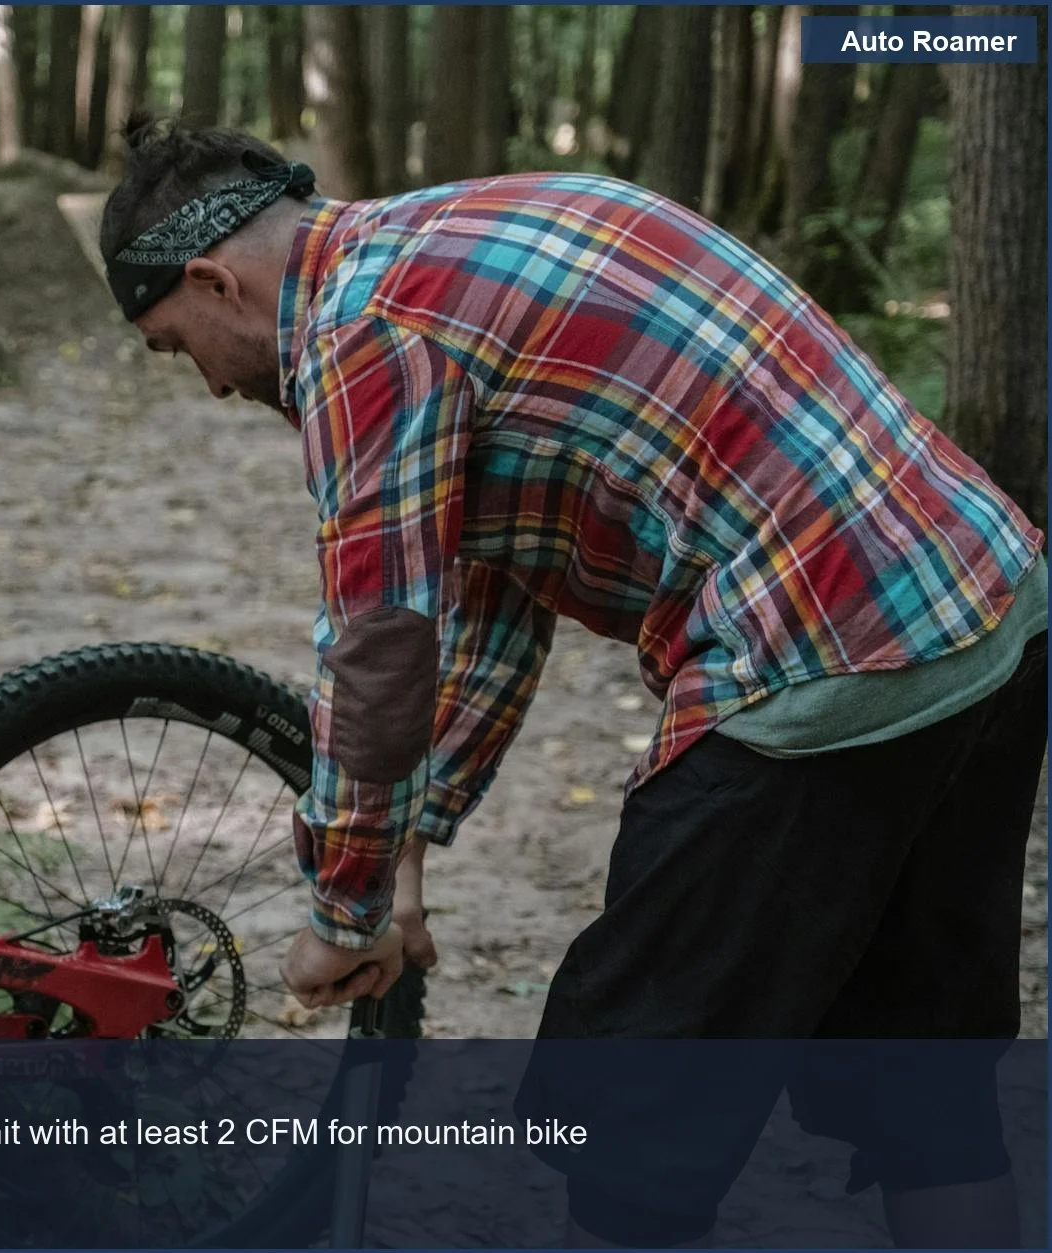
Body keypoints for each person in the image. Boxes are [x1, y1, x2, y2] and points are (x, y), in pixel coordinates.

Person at [96, 113, 1048, 1247]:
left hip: (823, 654)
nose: (204, 384)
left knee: (625, 1115)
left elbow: (380, 645)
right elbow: (491, 591)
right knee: (923, 1096)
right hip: (985, 603)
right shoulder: (457, 237)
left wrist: (340, 911)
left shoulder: (361, 333)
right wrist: (402, 855)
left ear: (213, 279)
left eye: (174, 344)